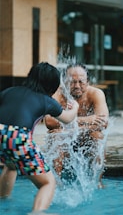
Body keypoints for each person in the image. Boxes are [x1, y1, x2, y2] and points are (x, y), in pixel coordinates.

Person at [0, 62, 79, 213]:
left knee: (11, 165)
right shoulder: (46, 100)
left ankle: (3, 203)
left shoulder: (9, 91)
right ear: (52, 86)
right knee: (48, 183)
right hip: (18, 136)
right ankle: (37, 212)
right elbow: (68, 119)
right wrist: (75, 108)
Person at [45, 63, 109, 187]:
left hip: (86, 140)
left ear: (88, 81)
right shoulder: (57, 94)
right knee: (56, 135)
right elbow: (49, 122)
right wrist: (88, 120)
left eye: (81, 82)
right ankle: (55, 183)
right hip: (64, 141)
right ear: (64, 81)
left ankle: (97, 182)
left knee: (98, 136)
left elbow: (103, 123)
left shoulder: (96, 94)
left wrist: (69, 123)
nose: (77, 86)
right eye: (72, 82)